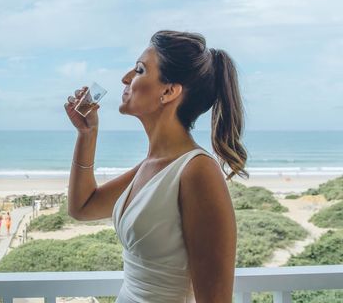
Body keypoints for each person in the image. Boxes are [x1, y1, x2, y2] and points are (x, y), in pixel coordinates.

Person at [65, 31, 246, 303]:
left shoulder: (197, 172)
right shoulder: (152, 165)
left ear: (169, 91)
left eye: (139, 70)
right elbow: (82, 207)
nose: (126, 78)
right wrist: (86, 135)